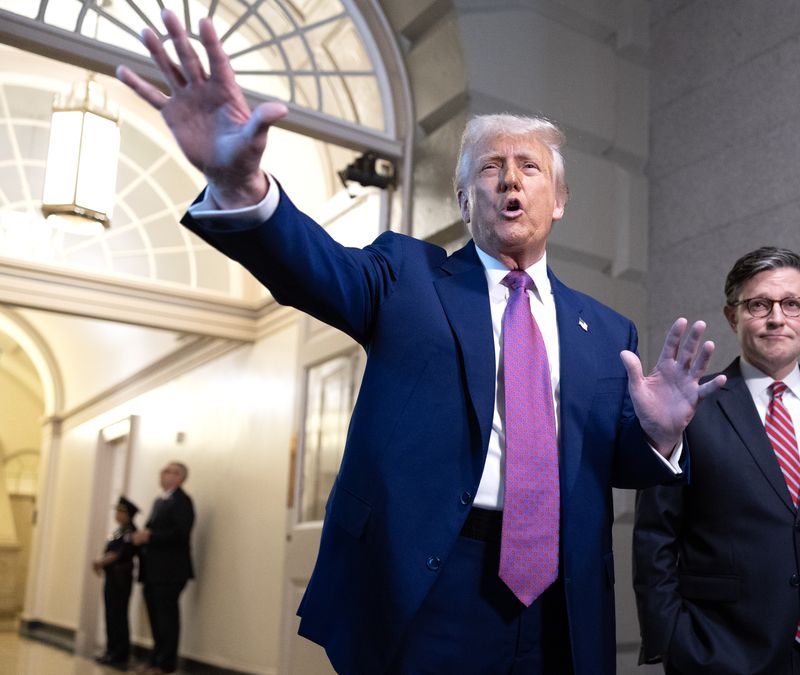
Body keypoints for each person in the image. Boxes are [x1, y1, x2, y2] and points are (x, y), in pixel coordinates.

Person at [116, 10, 724, 674]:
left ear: (561, 200)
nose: (512, 180)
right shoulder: (404, 275)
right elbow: (312, 265)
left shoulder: (607, 330)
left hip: (561, 595)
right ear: (464, 199)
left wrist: (659, 435)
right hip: (431, 581)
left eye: (530, 168)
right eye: (492, 169)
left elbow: (606, 462)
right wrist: (240, 185)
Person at [633, 246, 800, 675]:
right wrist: (675, 639)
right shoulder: (692, 407)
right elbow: (655, 536)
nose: (777, 318)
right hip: (721, 652)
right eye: (759, 304)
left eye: (792, 304)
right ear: (732, 315)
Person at [131, 461, 195, 675]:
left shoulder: (182, 501)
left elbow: (180, 534)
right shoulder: (160, 501)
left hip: (171, 571)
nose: (165, 475)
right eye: (164, 471)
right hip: (153, 570)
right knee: (155, 618)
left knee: (167, 617)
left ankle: (166, 664)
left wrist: (150, 536)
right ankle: (155, 659)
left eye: (172, 472)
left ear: (180, 478)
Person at [93, 496, 140, 669]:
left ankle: (120, 654)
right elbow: (110, 550)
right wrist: (100, 561)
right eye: (117, 511)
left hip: (121, 578)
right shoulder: (119, 531)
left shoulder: (130, 532)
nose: (117, 514)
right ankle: (111, 650)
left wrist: (101, 562)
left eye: (121, 511)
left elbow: (119, 554)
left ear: (129, 515)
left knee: (118, 614)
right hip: (112, 576)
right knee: (111, 614)